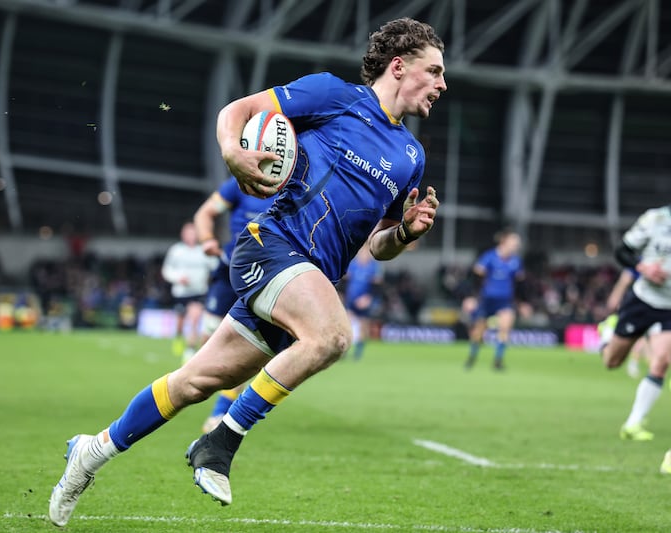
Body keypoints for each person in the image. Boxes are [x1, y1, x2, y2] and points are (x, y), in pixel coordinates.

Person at [49, 16, 444, 527]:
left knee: (195, 382)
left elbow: (379, 245)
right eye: (434, 71)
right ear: (399, 66)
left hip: (304, 278)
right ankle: (220, 443)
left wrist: (406, 232)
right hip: (270, 246)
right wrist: (233, 152)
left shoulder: (411, 156)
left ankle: (92, 451)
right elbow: (238, 111)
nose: (442, 84)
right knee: (331, 336)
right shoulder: (334, 95)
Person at [193, 176, 275, 433]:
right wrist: (207, 239)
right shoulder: (241, 182)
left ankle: (220, 412)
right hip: (230, 269)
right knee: (208, 342)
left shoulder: (294, 184)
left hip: (265, 276)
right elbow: (204, 213)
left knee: (244, 347)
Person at [599, 205, 671, 441]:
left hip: (669, 308)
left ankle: (633, 423)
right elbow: (622, 251)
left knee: (661, 362)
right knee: (612, 361)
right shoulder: (655, 219)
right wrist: (643, 267)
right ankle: (607, 333)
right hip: (642, 301)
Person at [464, 228, 524, 371]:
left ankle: (498, 361)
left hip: (505, 301)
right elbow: (475, 277)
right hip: (486, 300)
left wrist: (522, 302)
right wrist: (471, 297)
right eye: (514, 242)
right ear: (504, 241)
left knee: (505, 329)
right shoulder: (489, 257)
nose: (517, 245)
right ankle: (472, 357)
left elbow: (520, 284)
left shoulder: (516, 261)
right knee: (478, 332)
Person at [161, 222, 218, 362]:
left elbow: (215, 266)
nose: (191, 236)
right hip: (181, 292)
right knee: (180, 322)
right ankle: (178, 336)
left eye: (193, 233)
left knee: (195, 318)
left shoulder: (203, 251)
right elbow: (166, 270)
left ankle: (190, 348)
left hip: (198, 292)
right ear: (183, 234)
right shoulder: (176, 251)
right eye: (189, 233)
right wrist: (178, 278)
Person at [599, 268, 656, 379]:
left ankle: (645, 370)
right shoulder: (647, 261)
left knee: (659, 358)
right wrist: (615, 298)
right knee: (612, 360)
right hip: (640, 306)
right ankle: (607, 333)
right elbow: (627, 276)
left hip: (662, 309)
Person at [343, 243, 383, 360]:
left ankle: (358, 353)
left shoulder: (373, 267)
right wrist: (342, 296)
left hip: (364, 301)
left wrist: (368, 298)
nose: (363, 255)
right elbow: (344, 282)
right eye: (362, 252)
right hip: (351, 300)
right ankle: (344, 350)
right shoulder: (353, 265)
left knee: (363, 326)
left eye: (366, 253)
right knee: (346, 324)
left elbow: (377, 287)